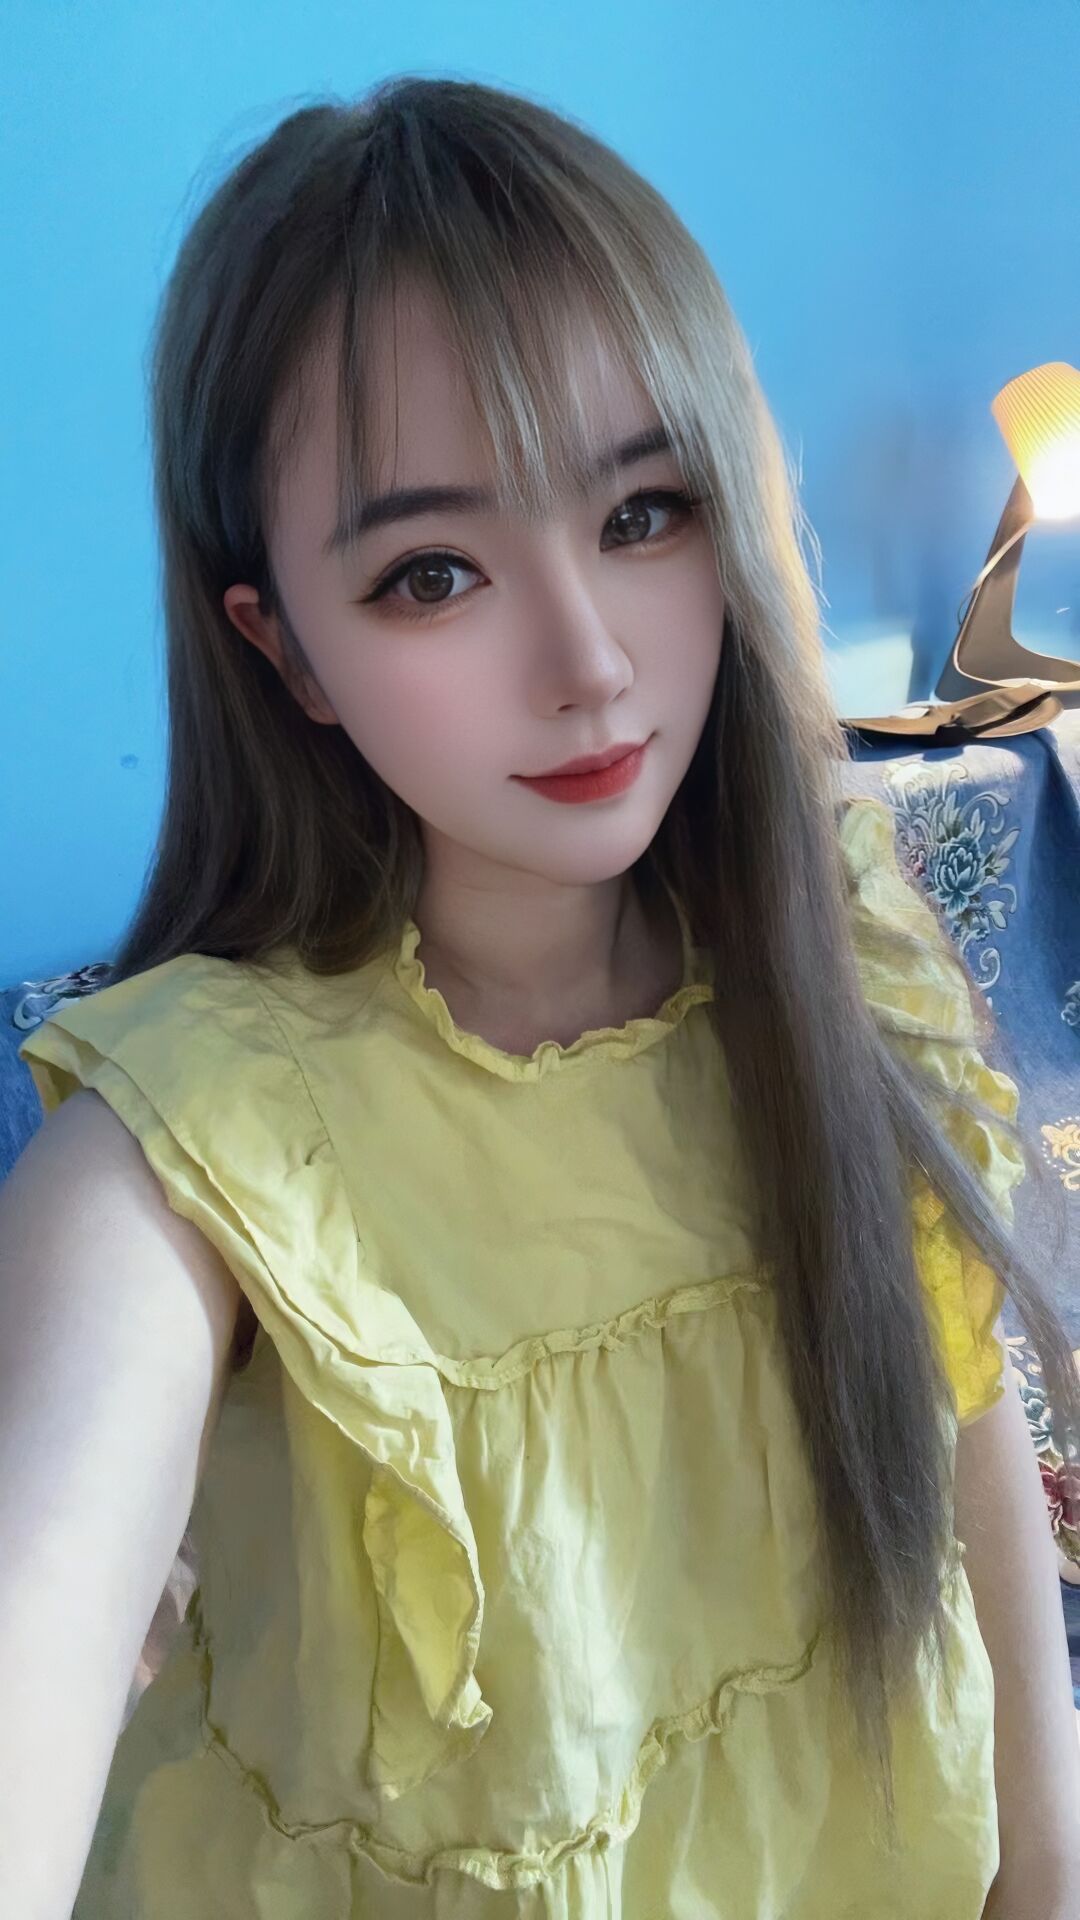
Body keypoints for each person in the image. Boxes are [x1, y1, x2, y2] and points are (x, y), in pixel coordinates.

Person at [2, 73, 1079, 1920]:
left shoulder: (850, 960)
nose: (588, 664)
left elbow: (1008, 1692)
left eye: (645, 513)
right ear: (288, 652)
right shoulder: (190, 1150)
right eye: (433, 574)